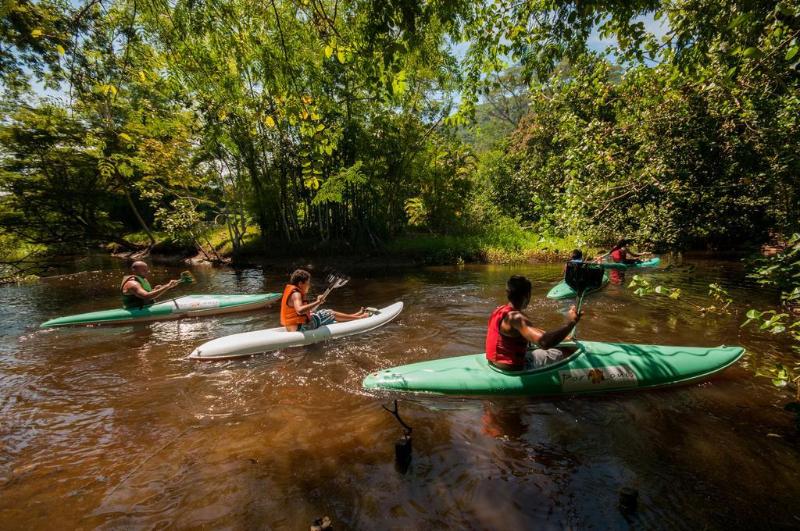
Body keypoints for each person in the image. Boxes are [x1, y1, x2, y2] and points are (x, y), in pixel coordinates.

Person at [485, 275, 582, 371]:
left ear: (508, 293)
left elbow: (531, 332)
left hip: (495, 362)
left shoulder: (500, 310)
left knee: (539, 350)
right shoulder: (518, 318)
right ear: (527, 295)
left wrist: (564, 337)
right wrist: (571, 322)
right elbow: (545, 342)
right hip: (513, 368)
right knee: (563, 352)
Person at [280, 269, 368, 332]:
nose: (309, 286)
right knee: (329, 313)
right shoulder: (296, 294)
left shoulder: (292, 292)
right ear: (300, 284)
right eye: (307, 283)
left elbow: (303, 311)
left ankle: (353, 315)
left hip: (292, 327)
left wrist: (317, 301)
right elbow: (299, 311)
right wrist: (318, 302)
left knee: (321, 313)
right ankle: (358, 318)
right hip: (301, 328)